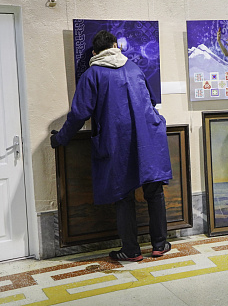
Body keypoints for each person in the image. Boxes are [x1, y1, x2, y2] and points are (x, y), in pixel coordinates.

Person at [50, 30, 173, 261]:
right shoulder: (134, 68)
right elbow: (152, 100)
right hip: (148, 136)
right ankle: (159, 245)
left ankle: (131, 250)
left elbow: (79, 114)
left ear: (94, 53)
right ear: (116, 47)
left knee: (123, 194)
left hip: (118, 141)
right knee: (154, 191)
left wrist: (60, 139)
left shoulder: (92, 75)